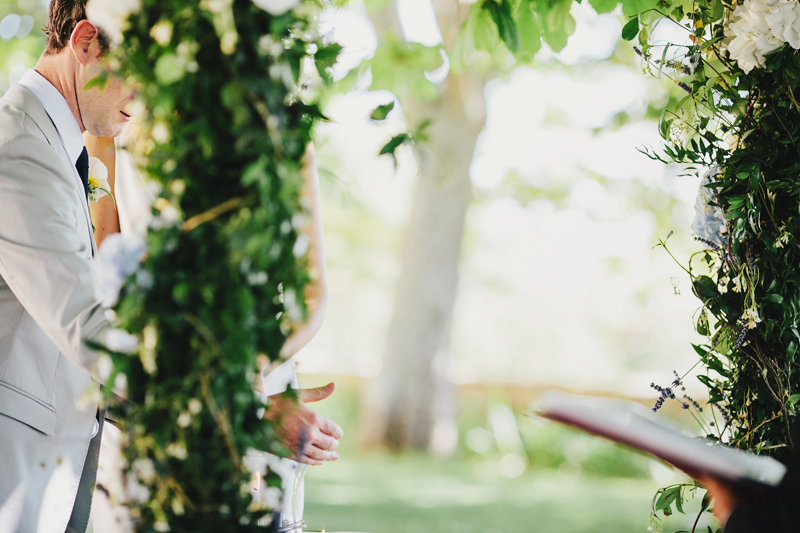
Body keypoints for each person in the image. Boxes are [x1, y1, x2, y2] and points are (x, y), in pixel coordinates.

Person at [0, 2, 131, 532]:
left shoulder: (56, 146)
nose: (144, 102)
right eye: (139, 78)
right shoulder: (21, 146)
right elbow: (85, 322)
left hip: (56, 466)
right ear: (84, 42)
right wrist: (232, 410)